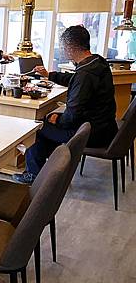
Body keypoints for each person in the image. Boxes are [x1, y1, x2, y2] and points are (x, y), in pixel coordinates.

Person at [13, 25, 117, 184]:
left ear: (70, 47)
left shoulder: (85, 74)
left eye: (63, 47)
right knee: (48, 122)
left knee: (36, 128)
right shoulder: (97, 62)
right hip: (104, 127)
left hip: (90, 133)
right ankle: (48, 170)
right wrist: (49, 75)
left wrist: (59, 120)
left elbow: (73, 114)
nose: (62, 50)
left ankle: (34, 175)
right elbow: (74, 81)